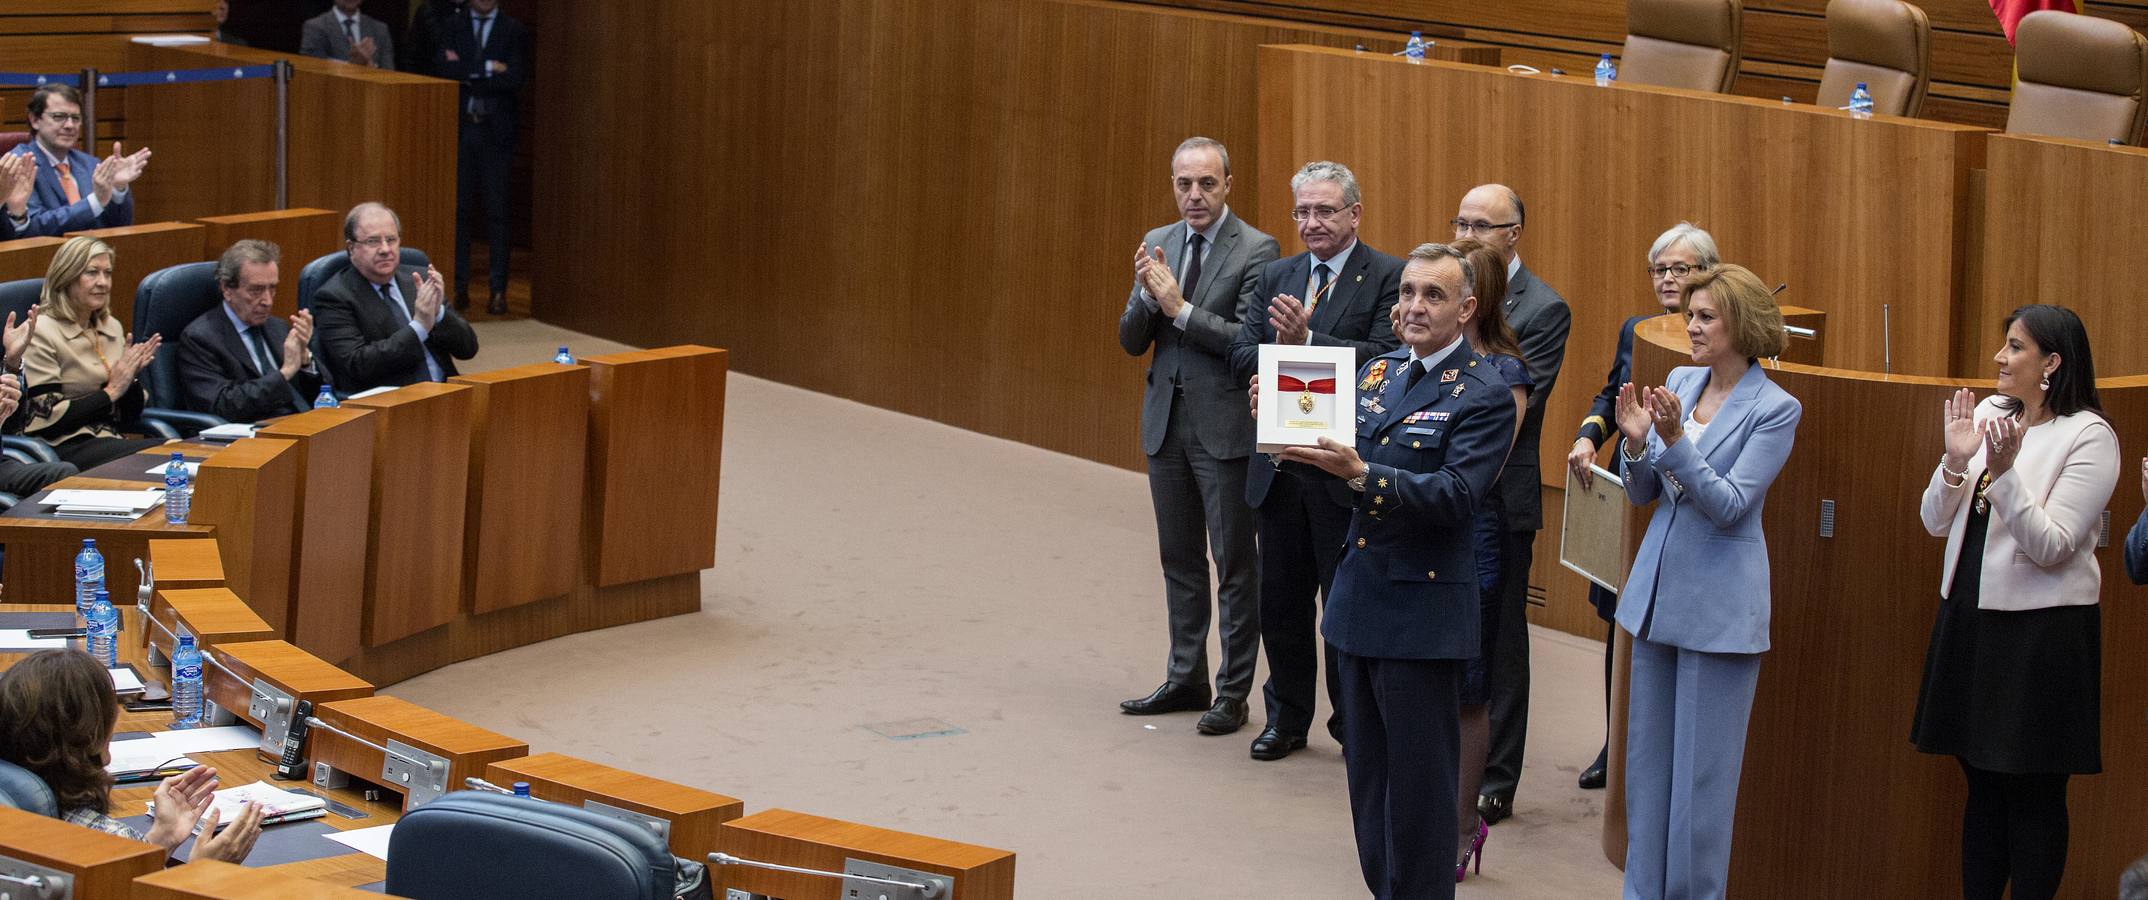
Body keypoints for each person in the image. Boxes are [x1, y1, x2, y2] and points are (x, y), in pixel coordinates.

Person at [1268, 242, 1514, 899]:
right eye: (1406, 292)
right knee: (1368, 786)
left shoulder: (1485, 394)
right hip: (1358, 605)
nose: (1413, 307)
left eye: (1432, 296)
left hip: (1421, 618)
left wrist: (1364, 474)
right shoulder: (1377, 374)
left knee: (1419, 796)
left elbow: (1458, 497)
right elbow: (1332, 471)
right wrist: (1281, 424)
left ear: (1465, 309)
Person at [1915, 304, 2114, 900]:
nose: (2000, 359)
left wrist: (2002, 475)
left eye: (2015, 348)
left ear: (2052, 363)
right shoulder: (1988, 413)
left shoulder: (2089, 436)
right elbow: (1933, 522)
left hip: (2042, 636)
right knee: (1981, 785)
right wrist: (1956, 462)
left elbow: (2053, 546)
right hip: (1970, 619)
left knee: (2033, 793)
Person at [1614, 263, 1800, 900]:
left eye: (1704, 317)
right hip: (1657, 598)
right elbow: (1643, 494)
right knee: (1647, 772)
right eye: (1689, 314)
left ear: (1740, 325)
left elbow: (1730, 505)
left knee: (1700, 787)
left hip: (1720, 608)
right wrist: (1637, 445)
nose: (1689, 326)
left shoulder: (1775, 409)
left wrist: (1672, 441)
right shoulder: (1679, 381)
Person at [1226, 160, 1403, 761]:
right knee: (1280, 602)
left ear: (1354, 214)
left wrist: (1307, 346)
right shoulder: (1279, 272)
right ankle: (1286, 717)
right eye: (1302, 210)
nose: (1311, 222)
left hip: (1338, 471)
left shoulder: (1387, 277)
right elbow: (1242, 352)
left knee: (1342, 604)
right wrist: (1264, 375)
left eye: (1325, 210)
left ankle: (1353, 722)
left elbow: (1385, 359)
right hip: (1277, 471)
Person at [1115, 137, 1278, 735]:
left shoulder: (1258, 249)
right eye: (1184, 183)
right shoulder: (1160, 239)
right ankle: (1187, 676)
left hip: (1226, 429)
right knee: (1178, 558)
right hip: (1166, 424)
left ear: (1228, 183)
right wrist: (1144, 295)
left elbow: (1249, 342)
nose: (1194, 195)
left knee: (1234, 563)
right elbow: (1132, 341)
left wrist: (1179, 307)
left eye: (1207, 183)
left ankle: (1233, 692)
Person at [1565, 222, 1720, 790]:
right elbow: (1612, 393)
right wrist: (1588, 434)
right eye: (1660, 270)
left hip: (1691, 493)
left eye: (1681, 268)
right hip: (1635, 486)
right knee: (1620, 623)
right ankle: (1616, 744)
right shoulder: (1637, 328)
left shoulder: (1723, 334)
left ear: (1708, 272)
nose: (1668, 279)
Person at [1456, 184, 1569, 826]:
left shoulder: (1544, 307)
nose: (1469, 236)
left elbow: (1516, 410)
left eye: (1483, 225)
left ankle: (1496, 777)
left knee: (1499, 641)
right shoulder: (1441, 286)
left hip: (1501, 499)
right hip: (1446, 492)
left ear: (1514, 233)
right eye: (1461, 222)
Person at [0, 648, 264, 863]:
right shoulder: (99, 841)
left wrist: (163, 838)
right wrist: (203, 874)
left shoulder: (19, 818)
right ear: (92, 737)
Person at [1443, 239, 1528, 881]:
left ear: (1475, 300)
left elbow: (1484, 468)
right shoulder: (1413, 359)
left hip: (1471, 536)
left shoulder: (1504, 371)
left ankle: (1462, 827)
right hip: (1414, 534)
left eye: (1441, 288)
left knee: (1469, 688)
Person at [23, 237, 169, 470]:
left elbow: (128, 416)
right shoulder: (41, 331)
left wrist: (129, 379)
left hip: (109, 438)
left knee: (181, 452)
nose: (103, 282)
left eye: (108, 273)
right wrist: (111, 391)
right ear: (66, 277)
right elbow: (44, 420)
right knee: (170, 456)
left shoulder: (111, 327)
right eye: (92, 273)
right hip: (62, 446)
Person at [311, 202, 480, 393]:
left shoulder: (421, 280)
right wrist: (419, 327)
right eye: (372, 241)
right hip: (391, 404)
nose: (385, 249)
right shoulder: (333, 297)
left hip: (446, 394)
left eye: (391, 239)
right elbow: (357, 364)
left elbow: (468, 349)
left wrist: (439, 313)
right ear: (351, 248)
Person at [439, 0, 529, 315]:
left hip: (496, 135)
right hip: (461, 130)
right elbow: (445, 70)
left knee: (497, 214)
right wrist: (490, 67)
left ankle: (497, 291)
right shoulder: (453, 24)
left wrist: (469, 69)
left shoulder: (513, 29)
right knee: (459, 211)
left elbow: (515, 78)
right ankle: (458, 287)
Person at [177, 240, 321, 421]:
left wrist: (306, 361)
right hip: (249, 434)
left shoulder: (278, 327)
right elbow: (221, 405)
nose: (267, 300)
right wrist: (285, 373)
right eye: (256, 290)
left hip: (297, 424)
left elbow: (324, 394)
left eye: (272, 288)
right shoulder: (200, 339)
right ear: (227, 289)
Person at [6, 84, 151, 238]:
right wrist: (94, 202)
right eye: (59, 117)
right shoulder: (19, 165)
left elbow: (119, 227)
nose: (69, 125)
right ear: (35, 120)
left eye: (75, 118)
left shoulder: (90, 164)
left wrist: (118, 189)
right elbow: (33, 229)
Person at [301, 0, 396, 69]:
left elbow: (389, 74)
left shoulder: (380, 29)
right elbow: (312, 71)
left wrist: (368, 64)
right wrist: (352, 65)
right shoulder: (315, 27)